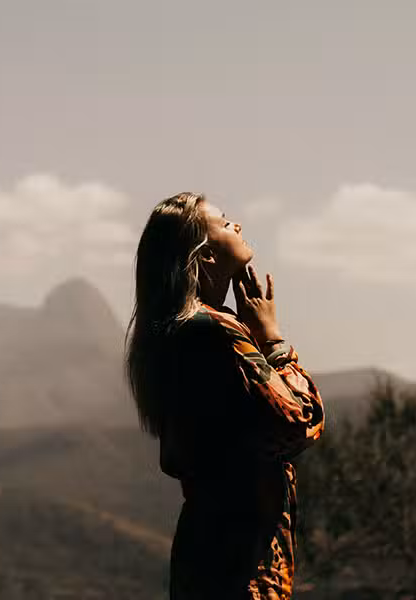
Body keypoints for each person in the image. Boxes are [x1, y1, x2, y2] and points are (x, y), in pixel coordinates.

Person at [125, 192, 326, 599]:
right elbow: (300, 421)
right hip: (239, 565)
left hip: (206, 556)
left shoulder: (178, 334)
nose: (236, 224)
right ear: (205, 256)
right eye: (223, 222)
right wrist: (273, 340)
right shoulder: (213, 333)